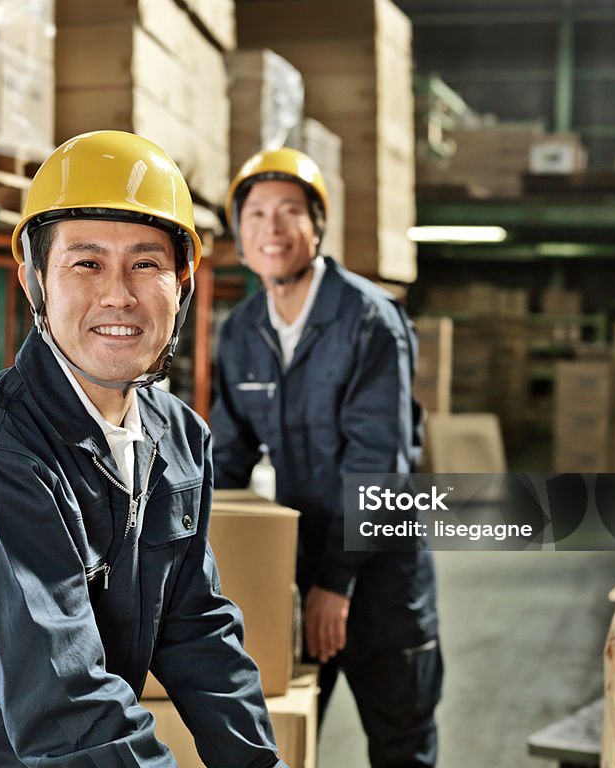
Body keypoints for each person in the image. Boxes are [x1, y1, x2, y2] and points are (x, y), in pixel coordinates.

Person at [0, 131, 286, 768]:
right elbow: (62, 697)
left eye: (147, 263)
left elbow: (196, 629)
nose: (118, 295)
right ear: (34, 279)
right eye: (87, 263)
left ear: (181, 283)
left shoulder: (178, 438)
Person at [211, 148, 443, 768]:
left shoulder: (369, 320)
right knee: (287, 735)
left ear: (317, 226)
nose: (272, 228)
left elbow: (380, 461)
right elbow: (227, 458)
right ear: (239, 231)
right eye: (256, 213)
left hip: (382, 572)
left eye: (290, 212)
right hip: (300, 564)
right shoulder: (241, 331)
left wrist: (335, 583)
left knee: (402, 745)